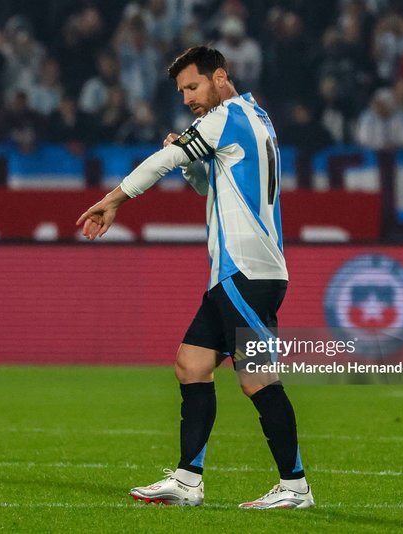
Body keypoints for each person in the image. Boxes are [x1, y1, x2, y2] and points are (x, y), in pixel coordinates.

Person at [76, 46, 313, 509]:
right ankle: (187, 481)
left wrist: (113, 199)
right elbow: (211, 183)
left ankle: (295, 486)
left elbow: (160, 163)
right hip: (237, 274)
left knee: (258, 379)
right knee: (191, 364)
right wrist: (188, 159)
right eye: (182, 91)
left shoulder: (226, 117)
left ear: (220, 77)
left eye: (193, 86)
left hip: (246, 271)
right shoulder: (255, 117)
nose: (187, 99)